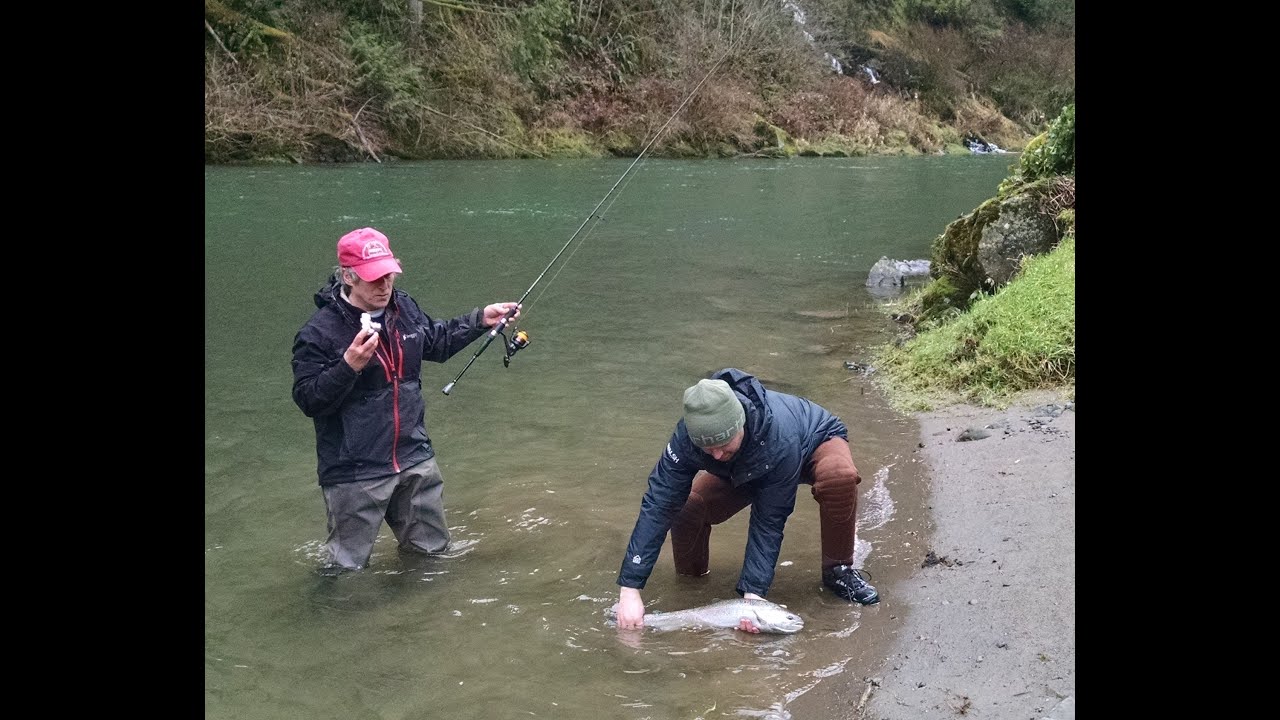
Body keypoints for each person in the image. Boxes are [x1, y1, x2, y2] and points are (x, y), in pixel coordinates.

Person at [291, 227, 520, 575]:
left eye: (389, 275)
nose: (384, 285)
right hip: (355, 472)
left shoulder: (404, 308)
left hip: (415, 458)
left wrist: (479, 321)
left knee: (433, 560)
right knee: (344, 572)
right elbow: (309, 400)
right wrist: (348, 366)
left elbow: (436, 343)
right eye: (374, 279)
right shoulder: (320, 332)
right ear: (349, 276)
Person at [614, 368, 879, 630]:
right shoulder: (687, 439)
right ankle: (691, 581)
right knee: (688, 506)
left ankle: (838, 571)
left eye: (723, 444)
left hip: (810, 442)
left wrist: (754, 596)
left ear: (739, 424)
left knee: (838, 476)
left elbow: (769, 520)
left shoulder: (779, 435)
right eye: (708, 449)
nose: (716, 456)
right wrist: (630, 588)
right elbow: (659, 503)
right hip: (746, 466)